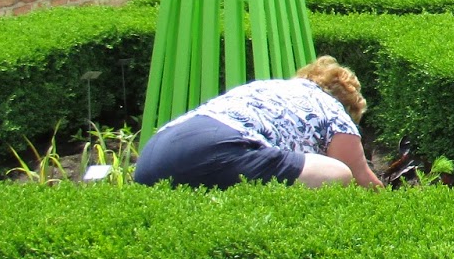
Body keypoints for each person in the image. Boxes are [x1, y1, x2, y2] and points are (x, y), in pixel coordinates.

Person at [133, 56, 382, 189]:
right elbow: (362, 180)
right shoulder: (335, 112)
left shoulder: (273, 87)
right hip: (214, 151)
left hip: (153, 155)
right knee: (338, 173)